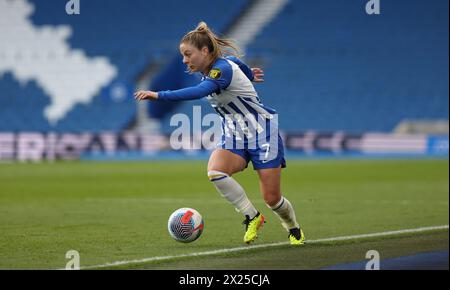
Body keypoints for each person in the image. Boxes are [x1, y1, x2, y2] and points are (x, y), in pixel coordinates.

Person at [135, 22, 305, 245]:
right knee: (216, 172)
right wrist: (249, 75)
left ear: (205, 51)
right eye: (183, 56)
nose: (185, 60)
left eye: (188, 54)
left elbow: (200, 92)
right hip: (234, 133)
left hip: (263, 133)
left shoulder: (220, 70)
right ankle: (252, 216)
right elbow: (238, 63)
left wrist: (159, 95)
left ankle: (293, 228)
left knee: (272, 199)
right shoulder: (222, 67)